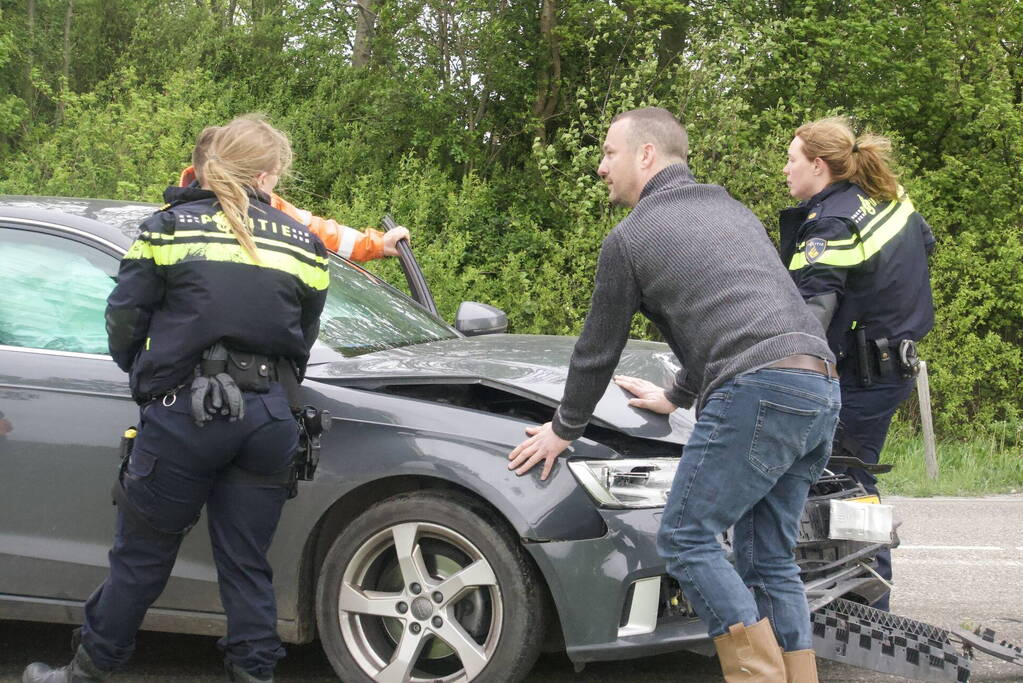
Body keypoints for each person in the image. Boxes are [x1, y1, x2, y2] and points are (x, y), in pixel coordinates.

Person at [508, 107, 839, 682]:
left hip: (757, 389)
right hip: (818, 386)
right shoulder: (731, 212)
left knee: (687, 536)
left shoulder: (632, 238)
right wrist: (678, 396)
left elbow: (596, 351)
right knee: (768, 561)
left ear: (646, 155)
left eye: (610, 153)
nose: (600, 166)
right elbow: (729, 315)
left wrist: (563, 429)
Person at [23, 114, 328, 683]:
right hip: (267, 417)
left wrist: (144, 373)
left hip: (184, 413)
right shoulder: (305, 244)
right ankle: (254, 673)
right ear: (267, 174)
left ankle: (86, 672)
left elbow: (124, 315)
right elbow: (304, 339)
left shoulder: (168, 227)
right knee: (246, 564)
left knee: (142, 557)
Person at [779, 116, 935, 611]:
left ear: (819, 166)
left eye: (792, 159)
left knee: (842, 480)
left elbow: (813, 314)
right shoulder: (886, 198)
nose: (785, 169)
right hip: (892, 364)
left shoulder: (831, 223)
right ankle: (854, 597)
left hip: (862, 375)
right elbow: (923, 246)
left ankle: (868, 605)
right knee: (842, 478)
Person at [179, 126, 410, 262]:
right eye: (274, 174)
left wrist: (378, 244)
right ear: (258, 178)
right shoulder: (173, 224)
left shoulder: (167, 221)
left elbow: (325, 233)